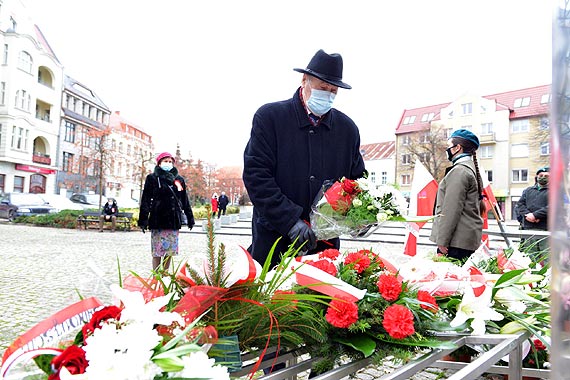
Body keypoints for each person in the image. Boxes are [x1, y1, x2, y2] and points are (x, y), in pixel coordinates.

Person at [243, 49, 366, 269]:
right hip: (275, 241)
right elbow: (256, 176)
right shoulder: (270, 118)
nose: (327, 95)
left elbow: (356, 181)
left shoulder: (348, 130)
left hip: (323, 247)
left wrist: (360, 214)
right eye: (322, 88)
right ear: (304, 80)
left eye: (333, 91)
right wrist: (290, 220)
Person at [430, 129, 486, 261]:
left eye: (449, 146)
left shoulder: (459, 171)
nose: (447, 150)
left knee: (451, 280)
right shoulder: (470, 169)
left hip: (455, 242)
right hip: (463, 239)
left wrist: (442, 241)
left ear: (457, 148)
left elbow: (451, 209)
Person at [138, 152, 195, 271]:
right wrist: (143, 220)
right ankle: (156, 276)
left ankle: (165, 275)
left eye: (170, 162)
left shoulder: (179, 180)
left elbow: (184, 199)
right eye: (165, 161)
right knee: (157, 252)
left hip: (173, 220)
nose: (168, 164)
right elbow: (146, 200)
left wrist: (190, 218)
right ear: (159, 163)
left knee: (169, 251)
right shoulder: (152, 178)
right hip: (157, 219)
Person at [517, 167, 549, 260]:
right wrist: (528, 215)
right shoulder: (528, 190)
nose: (543, 177)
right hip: (528, 228)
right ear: (537, 177)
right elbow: (520, 204)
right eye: (541, 175)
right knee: (529, 257)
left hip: (546, 229)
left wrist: (535, 215)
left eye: (546, 176)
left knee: (547, 257)